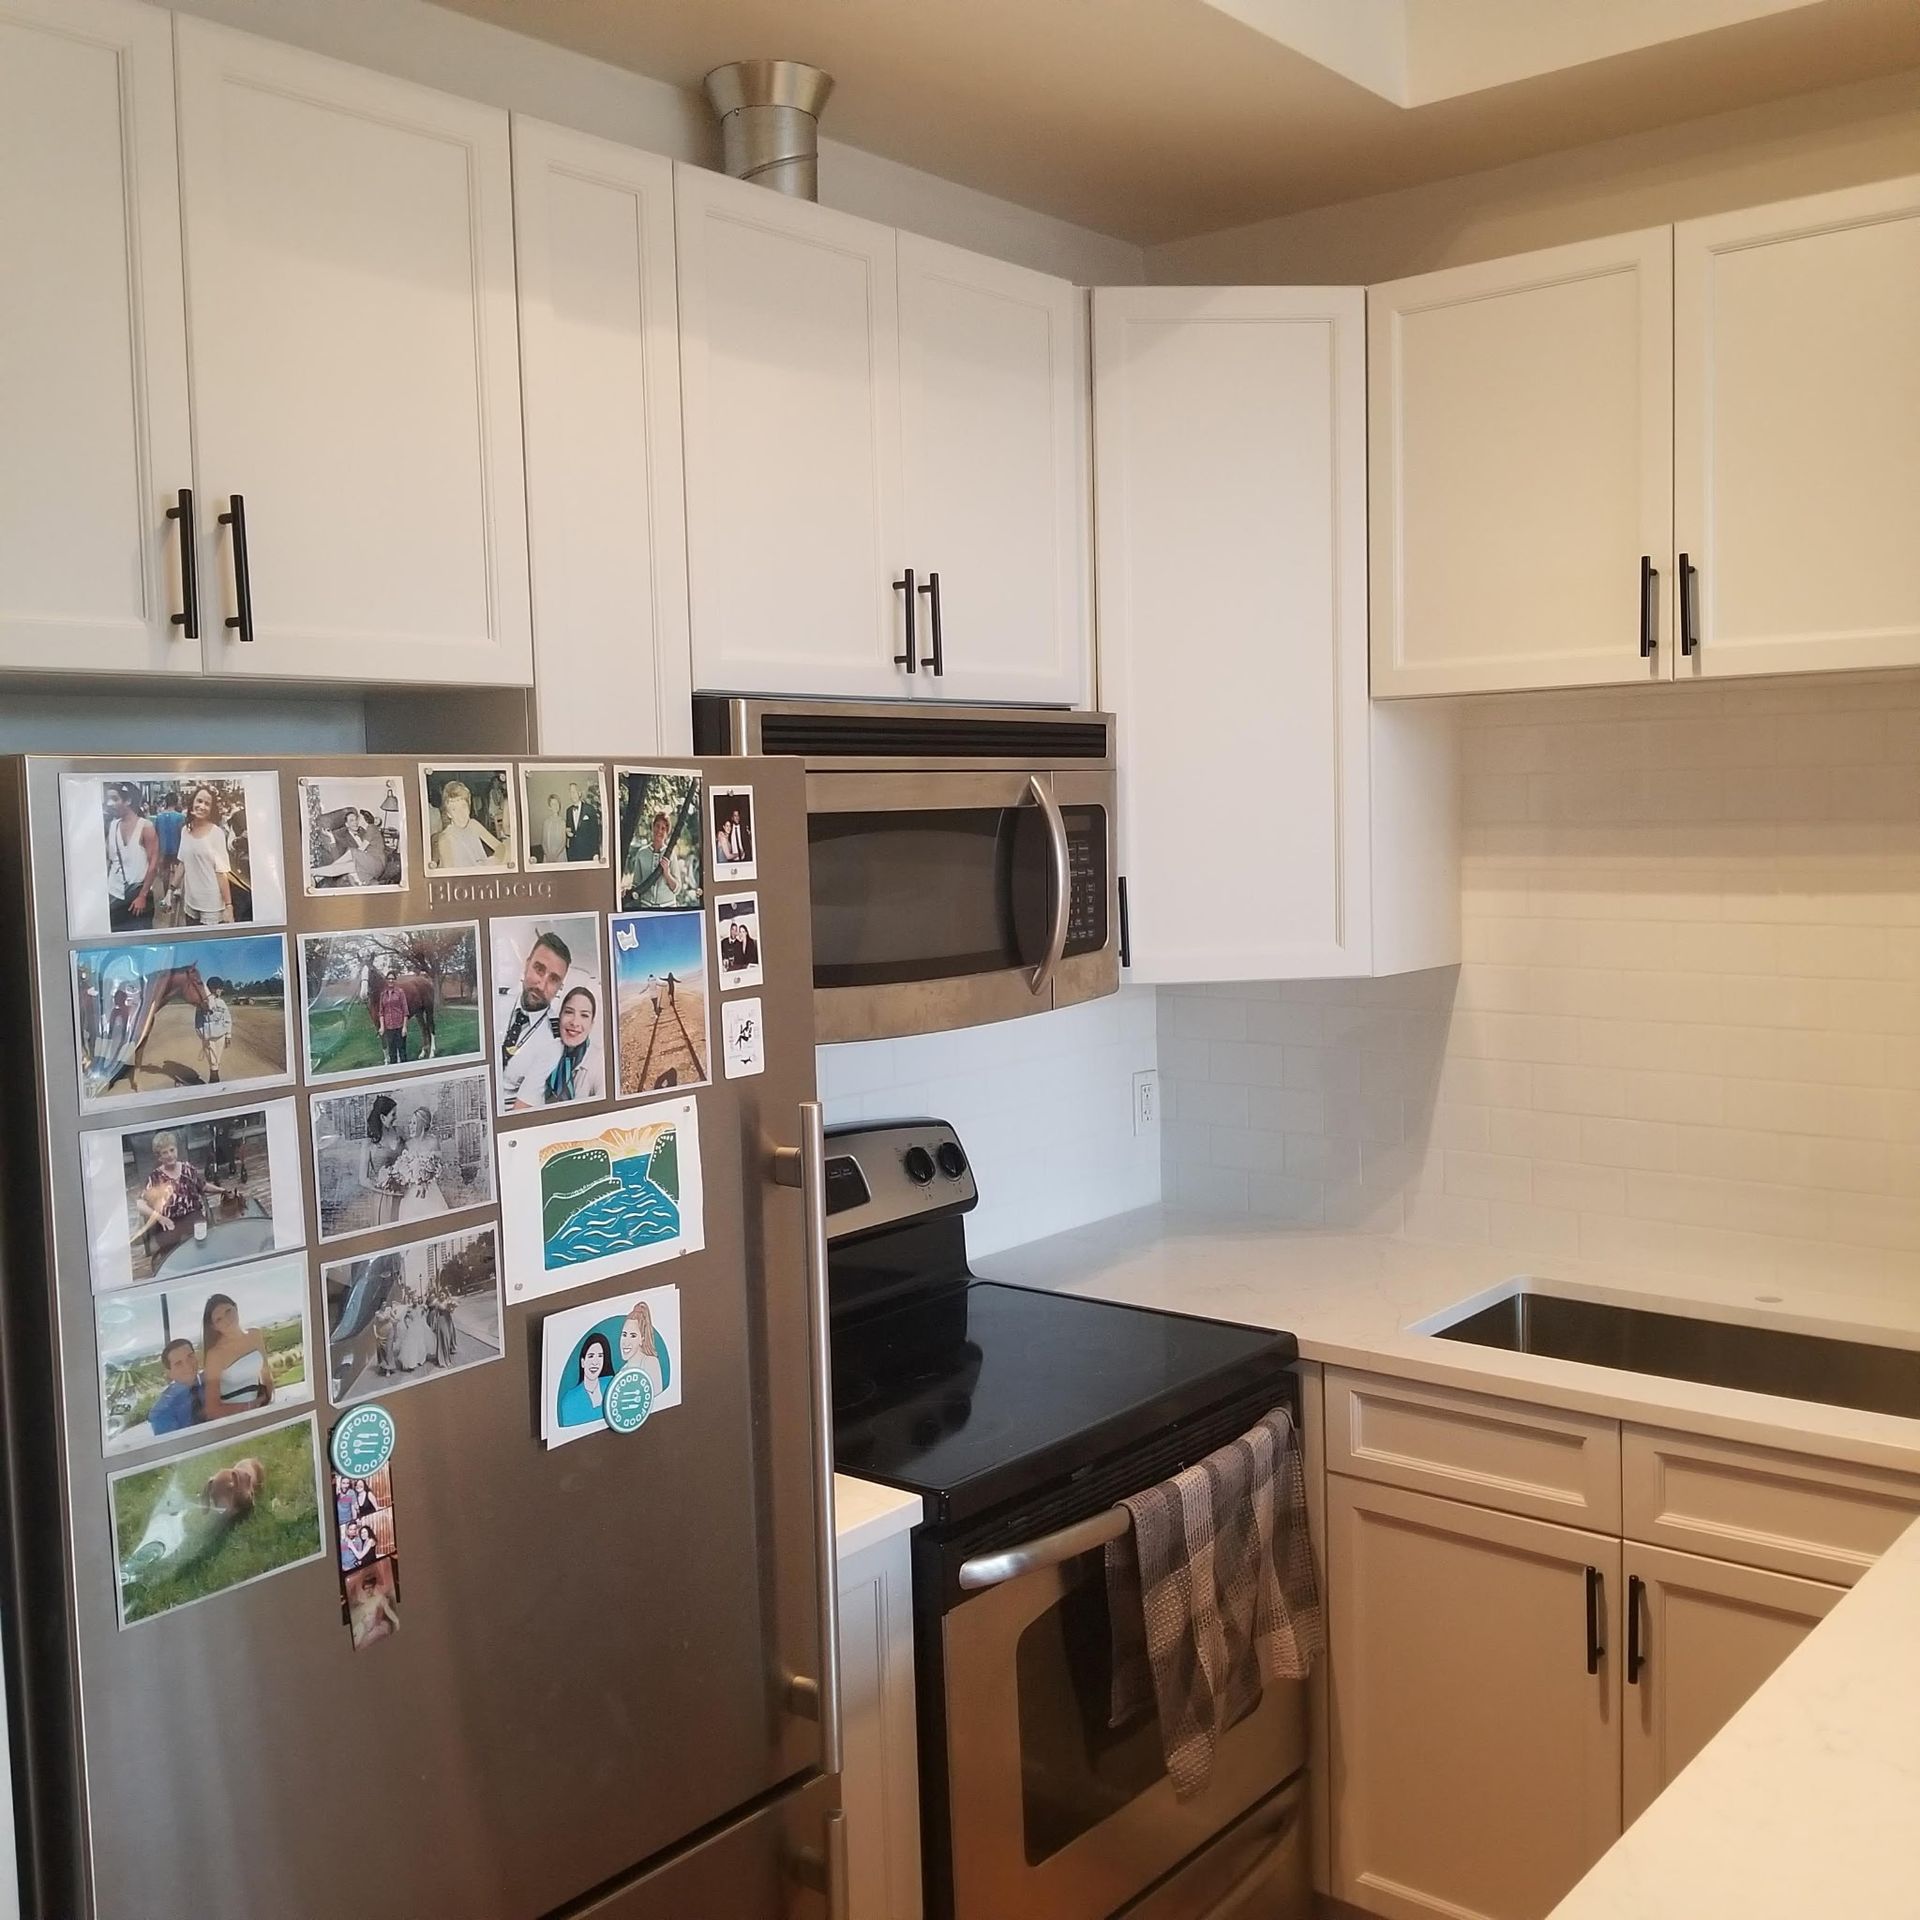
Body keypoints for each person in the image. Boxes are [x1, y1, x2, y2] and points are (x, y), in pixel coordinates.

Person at [499, 980, 603, 1111]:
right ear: (560, 1016)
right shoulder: (549, 1048)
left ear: (592, 1024)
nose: (575, 1022)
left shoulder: (599, 1062)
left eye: (584, 1015)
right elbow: (523, 1104)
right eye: (569, 1012)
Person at [131, 1130, 210, 1270]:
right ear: (159, 1157)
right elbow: (140, 1204)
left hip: (192, 1216)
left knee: (202, 1249)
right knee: (174, 1259)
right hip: (169, 1221)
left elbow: (203, 1186)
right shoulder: (155, 1178)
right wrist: (160, 1218)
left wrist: (223, 1190)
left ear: (176, 1150)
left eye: (172, 1150)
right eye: (164, 1152)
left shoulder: (188, 1169)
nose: (169, 1155)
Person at [496, 929, 570, 1075]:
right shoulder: (497, 1003)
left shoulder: (554, 1041)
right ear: (527, 965)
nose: (541, 986)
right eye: (539, 969)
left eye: (553, 979)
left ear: (559, 987)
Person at [201, 1292, 272, 1418]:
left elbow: (266, 1375)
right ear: (214, 1326)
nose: (226, 1319)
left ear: (236, 1308)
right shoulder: (215, 1354)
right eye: (219, 1319)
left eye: (228, 1311)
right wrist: (249, 1407)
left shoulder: (255, 1334)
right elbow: (212, 1409)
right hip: (232, 1418)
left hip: (260, 1410)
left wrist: (269, 1403)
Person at [178, 784, 235, 926]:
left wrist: (229, 906)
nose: (202, 806)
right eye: (199, 801)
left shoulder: (217, 833)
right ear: (192, 803)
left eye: (207, 804)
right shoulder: (185, 830)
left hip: (211, 905)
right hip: (190, 902)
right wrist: (170, 891)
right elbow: (182, 863)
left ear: (211, 810)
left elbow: (221, 872)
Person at [105, 784, 158, 931]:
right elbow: (109, 859)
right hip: (114, 893)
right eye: (108, 799)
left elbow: (153, 864)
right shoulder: (113, 826)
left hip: (138, 894)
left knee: (140, 937)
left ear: (128, 801)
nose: (110, 804)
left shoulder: (145, 827)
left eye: (115, 799)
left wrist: (143, 895)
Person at [433, 779, 504, 871]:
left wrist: (495, 859)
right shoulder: (446, 838)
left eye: (463, 807)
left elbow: (500, 846)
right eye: (454, 809)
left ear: (469, 808)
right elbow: (451, 874)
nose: (461, 814)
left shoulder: (473, 825)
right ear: (448, 814)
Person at [392, 1108, 448, 1222]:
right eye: (410, 1123)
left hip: (430, 1190)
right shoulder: (408, 1144)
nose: (410, 1127)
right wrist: (406, 1175)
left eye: (414, 1123)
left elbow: (439, 1166)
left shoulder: (433, 1142)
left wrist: (427, 1176)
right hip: (412, 1191)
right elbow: (403, 1167)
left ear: (423, 1124)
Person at [310, 809, 388, 888]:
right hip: (363, 866)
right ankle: (316, 876)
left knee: (352, 852)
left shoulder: (365, 831)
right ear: (347, 824)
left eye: (356, 819)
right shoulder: (341, 838)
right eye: (352, 820)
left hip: (373, 863)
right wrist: (332, 839)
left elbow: (373, 845)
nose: (356, 822)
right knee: (350, 865)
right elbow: (337, 858)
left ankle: (314, 872)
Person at [629, 810, 690, 907]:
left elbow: (677, 889)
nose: (659, 831)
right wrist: (627, 892)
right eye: (657, 826)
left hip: (668, 908)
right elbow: (636, 884)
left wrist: (667, 874)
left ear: (667, 833)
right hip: (646, 907)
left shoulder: (671, 854)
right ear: (652, 827)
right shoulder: (642, 853)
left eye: (663, 828)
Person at [361, 1095, 404, 1228]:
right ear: (382, 1117)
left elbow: (410, 1155)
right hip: (383, 1197)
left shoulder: (399, 1132)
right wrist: (384, 1189)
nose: (396, 1118)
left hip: (403, 1194)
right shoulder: (368, 1143)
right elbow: (363, 1179)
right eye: (393, 1114)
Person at [146, 1338, 203, 1435]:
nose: (187, 1365)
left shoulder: (212, 1384)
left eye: (190, 1356)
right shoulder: (164, 1409)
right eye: (178, 1363)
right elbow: (173, 1442)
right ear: (169, 1373)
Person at [558, 1332, 614, 1428]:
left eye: (600, 1356)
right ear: (583, 1362)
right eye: (591, 1356)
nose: (595, 1362)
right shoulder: (570, 1399)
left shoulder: (612, 1385)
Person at [197, 977, 233, 1084]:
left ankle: (213, 1078)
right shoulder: (202, 1004)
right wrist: (202, 1035)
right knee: (212, 1061)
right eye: (220, 988)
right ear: (214, 989)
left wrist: (228, 1035)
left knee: (217, 1059)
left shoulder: (222, 1003)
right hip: (208, 1037)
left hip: (220, 1036)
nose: (221, 990)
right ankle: (215, 1079)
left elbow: (227, 1019)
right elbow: (198, 1021)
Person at [376, 974, 411, 1066]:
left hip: (399, 1026)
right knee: (392, 1053)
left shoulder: (400, 992)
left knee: (402, 1051)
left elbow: (405, 1011)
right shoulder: (383, 995)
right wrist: (382, 1027)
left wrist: (404, 1027)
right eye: (389, 979)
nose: (391, 981)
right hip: (389, 1027)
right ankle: (395, 1072)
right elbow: (381, 1012)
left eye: (392, 979)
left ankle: (405, 1070)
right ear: (386, 980)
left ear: (395, 980)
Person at [539, 791, 567, 865]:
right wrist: (547, 854)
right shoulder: (546, 822)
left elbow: (563, 842)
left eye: (557, 803)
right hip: (548, 855)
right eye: (553, 804)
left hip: (560, 855)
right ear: (549, 807)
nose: (555, 806)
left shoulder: (562, 822)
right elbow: (544, 841)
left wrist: (556, 855)